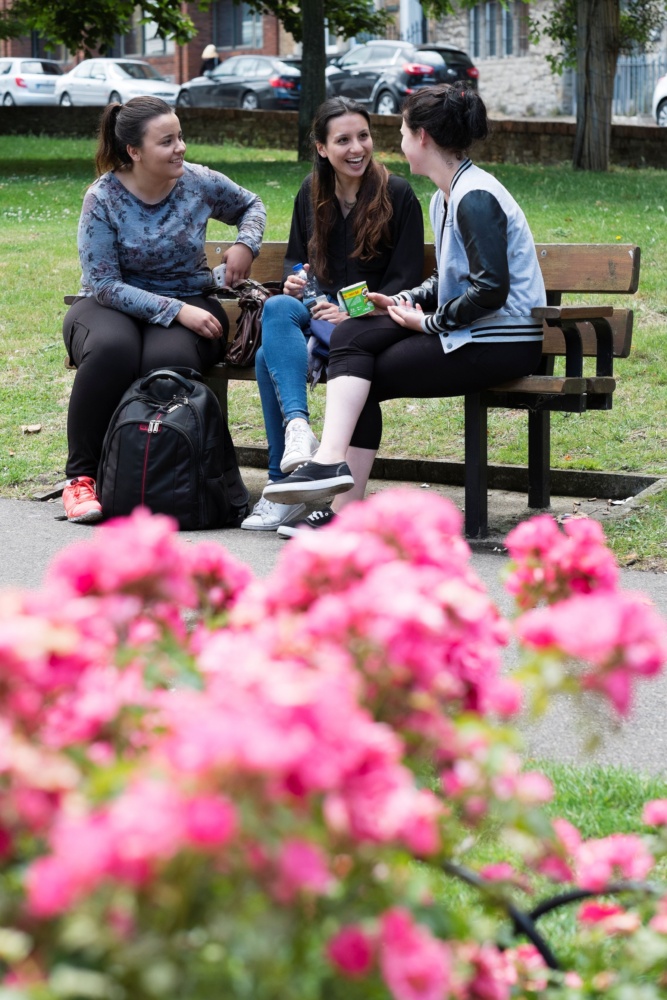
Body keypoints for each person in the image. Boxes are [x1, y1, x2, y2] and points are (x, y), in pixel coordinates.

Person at [266, 83, 546, 533]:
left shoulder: (475, 195)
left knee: (359, 365)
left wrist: (428, 321)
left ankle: (331, 470)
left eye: (400, 131)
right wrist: (404, 300)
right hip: (473, 333)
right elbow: (450, 278)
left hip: (502, 342)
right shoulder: (446, 194)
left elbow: (490, 291)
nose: (395, 142)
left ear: (423, 138)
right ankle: (341, 497)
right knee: (355, 349)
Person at [61, 95, 265, 524]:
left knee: (165, 363)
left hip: (189, 300)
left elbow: (252, 205)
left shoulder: (199, 182)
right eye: (167, 141)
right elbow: (103, 283)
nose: (181, 148)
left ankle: (163, 474)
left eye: (180, 137)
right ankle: (81, 479)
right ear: (134, 151)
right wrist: (174, 310)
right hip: (108, 303)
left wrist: (245, 245)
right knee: (114, 350)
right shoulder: (103, 198)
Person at [241, 96, 424, 531]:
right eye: (343, 140)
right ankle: (299, 432)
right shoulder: (312, 191)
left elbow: (405, 280)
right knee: (280, 305)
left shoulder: (397, 194)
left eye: (363, 136)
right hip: (315, 316)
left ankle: (282, 482)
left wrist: (353, 314)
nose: (356, 148)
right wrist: (295, 282)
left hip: (373, 324)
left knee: (270, 359)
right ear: (322, 148)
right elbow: (295, 260)